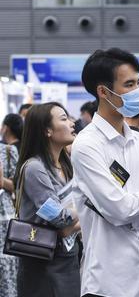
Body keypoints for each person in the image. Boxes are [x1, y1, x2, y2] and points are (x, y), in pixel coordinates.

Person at [71, 48, 139, 297]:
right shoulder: (86, 146)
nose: (138, 91)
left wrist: (131, 216)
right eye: (129, 84)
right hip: (108, 284)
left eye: (138, 83)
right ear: (103, 92)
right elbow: (118, 209)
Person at [16, 102, 81, 297]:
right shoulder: (35, 168)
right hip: (43, 262)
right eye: (64, 118)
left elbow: (66, 225)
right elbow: (59, 219)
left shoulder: (65, 163)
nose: (72, 123)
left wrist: (71, 225)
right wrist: (85, 213)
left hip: (68, 257)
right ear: (47, 131)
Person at [0, 142, 19, 297]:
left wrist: (2, 181)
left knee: (7, 266)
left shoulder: (7, 150)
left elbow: (17, 185)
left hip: (4, 219)